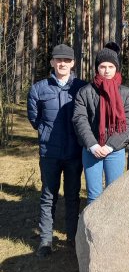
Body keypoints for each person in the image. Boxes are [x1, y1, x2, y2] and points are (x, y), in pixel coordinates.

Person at [27, 44, 86, 257]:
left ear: (73, 63)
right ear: (52, 62)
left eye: (67, 60)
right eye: (58, 59)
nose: (62, 63)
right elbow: (35, 119)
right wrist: (45, 133)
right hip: (49, 152)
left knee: (72, 196)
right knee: (48, 195)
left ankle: (71, 237)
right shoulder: (39, 89)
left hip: (73, 153)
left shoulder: (81, 87)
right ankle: (45, 240)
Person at [73, 48, 129, 204]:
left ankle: (111, 229)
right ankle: (90, 229)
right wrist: (93, 145)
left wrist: (110, 146)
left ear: (116, 68)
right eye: (103, 66)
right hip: (91, 150)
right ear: (97, 68)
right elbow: (80, 120)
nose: (107, 70)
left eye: (111, 67)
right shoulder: (85, 92)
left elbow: (128, 123)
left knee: (113, 193)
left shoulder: (126, 93)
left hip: (115, 150)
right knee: (94, 195)